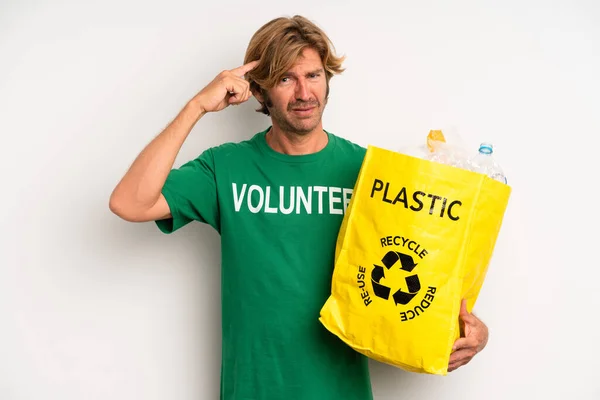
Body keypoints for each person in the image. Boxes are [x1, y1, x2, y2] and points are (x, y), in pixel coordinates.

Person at [109, 15, 489, 400]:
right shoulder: (224, 167)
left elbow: (421, 264)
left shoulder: (370, 173)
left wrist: (471, 329)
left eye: (313, 75)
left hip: (341, 390)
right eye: (285, 79)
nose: (304, 93)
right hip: (253, 390)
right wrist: (196, 107)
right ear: (260, 92)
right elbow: (129, 202)